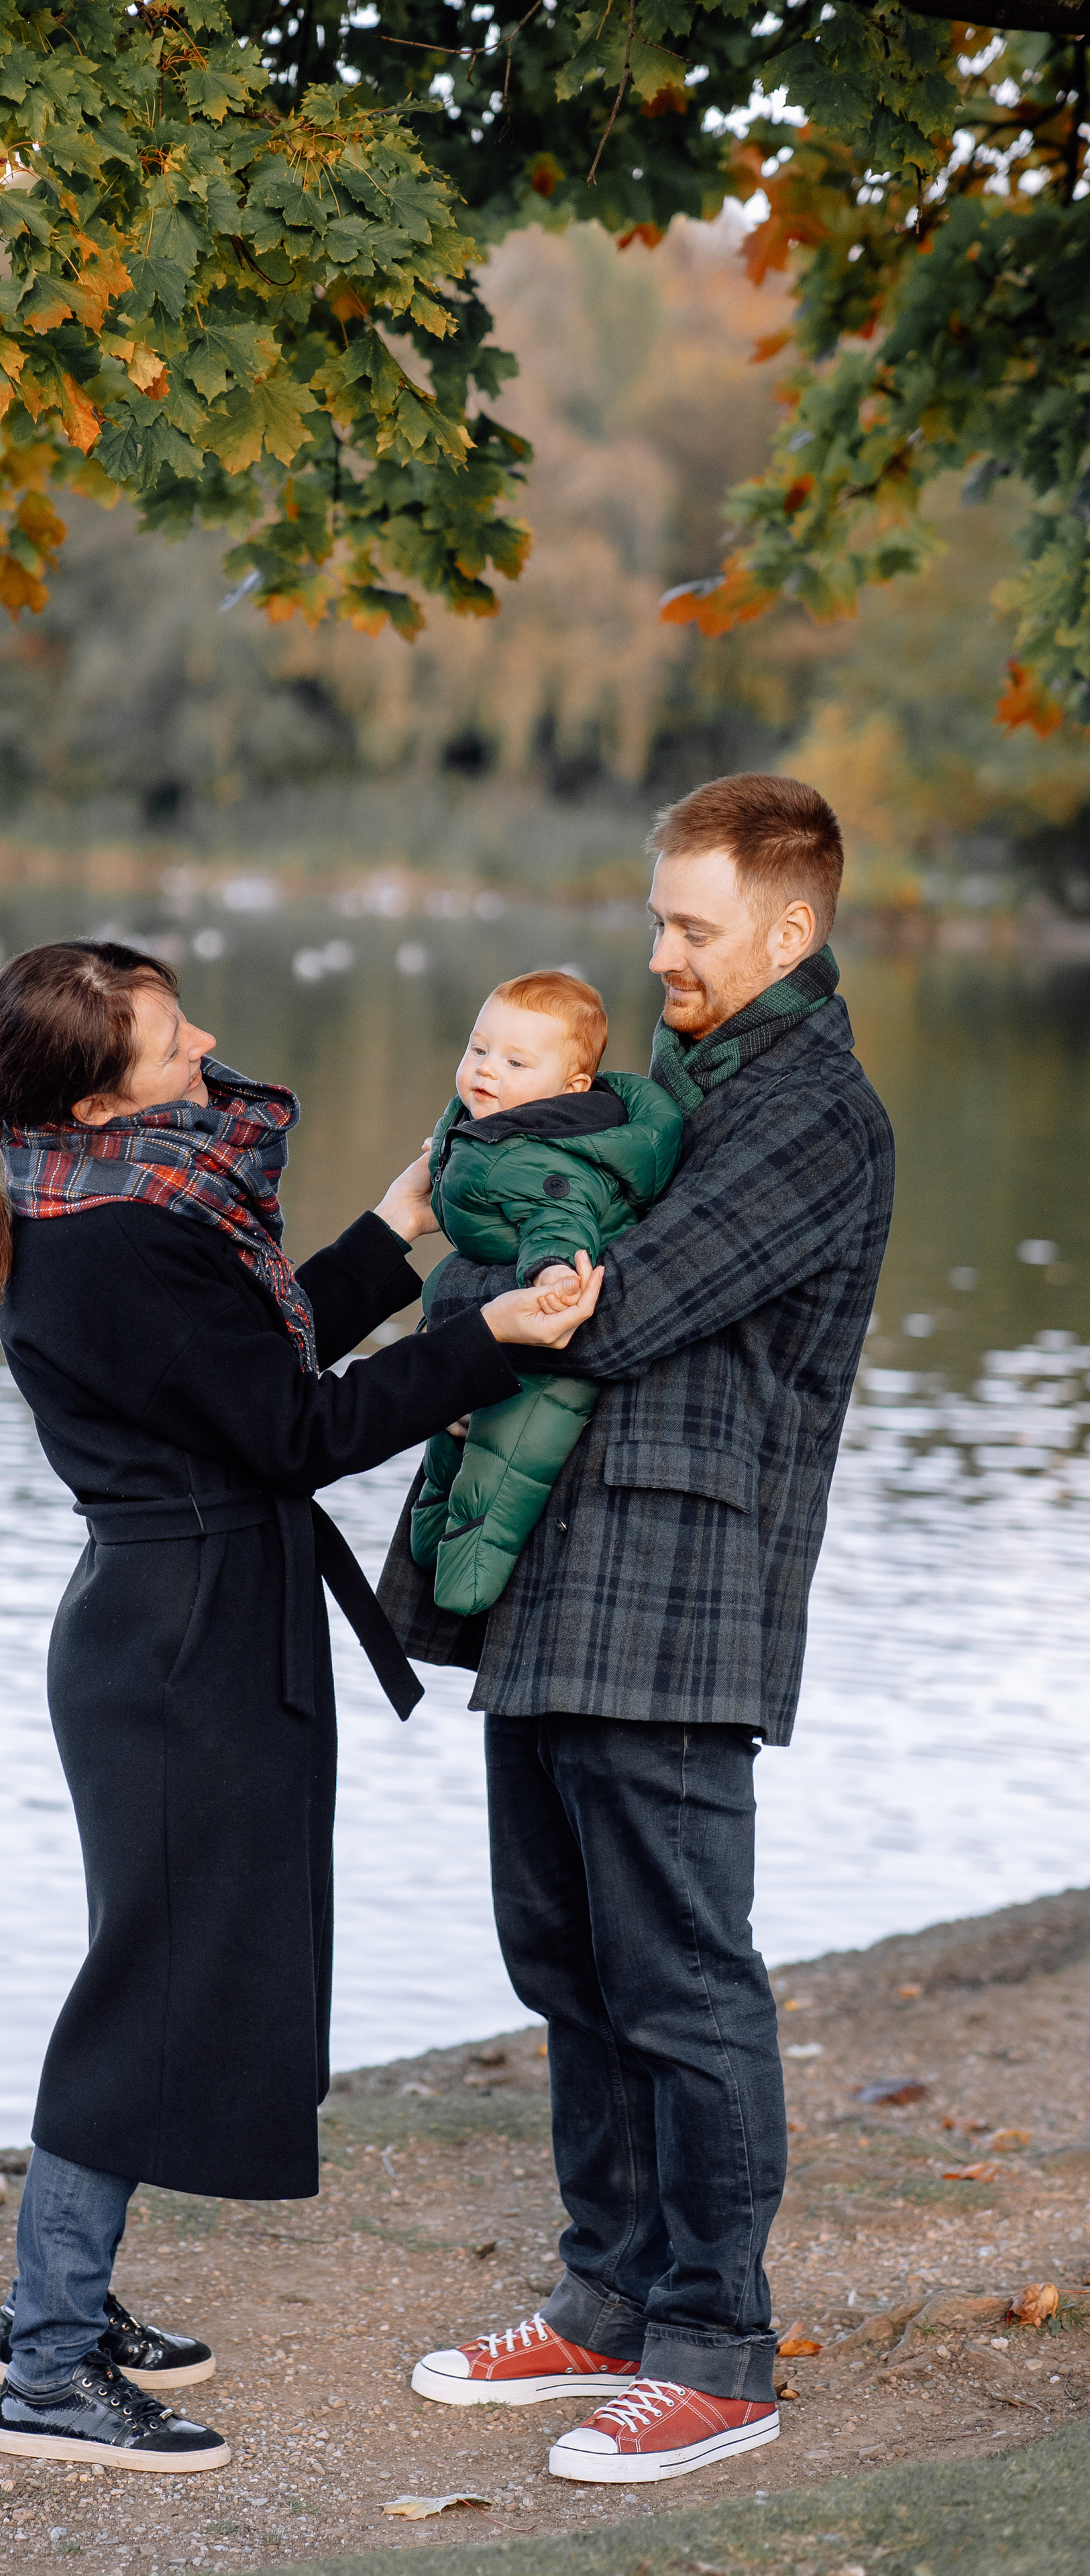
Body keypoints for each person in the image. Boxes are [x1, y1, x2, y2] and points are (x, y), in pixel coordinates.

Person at [0, 936, 603, 2475]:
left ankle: (58, 2303)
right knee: (145, 1985)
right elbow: (296, 1430)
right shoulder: (116, 1235)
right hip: (180, 1645)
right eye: (171, 1038)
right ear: (99, 1095)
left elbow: (246, 1368)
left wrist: (393, 1226)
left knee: (158, 1964)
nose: (205, 1046)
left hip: (175, 1624)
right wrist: (488, 1342)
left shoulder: (92, 1196)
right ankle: (47, 2365)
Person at [382, 774, 894, 2487]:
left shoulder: (811, 1115)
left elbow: (611, 1313)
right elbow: (512, 1268)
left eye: (689, 925)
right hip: (555, 1571)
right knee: (562, 1957)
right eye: (655, 918)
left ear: (786, 928)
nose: (658, 951)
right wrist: (498, 1283)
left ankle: (714, 2351)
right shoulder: (673, 1091)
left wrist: (497, 1282)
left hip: (675, 1589)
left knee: (679, 1976)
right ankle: (603, 2299)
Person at [409, 969, 684, 1615]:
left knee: (503, 1469)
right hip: (495, 1329)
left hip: (546, 1356)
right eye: (478, 1048)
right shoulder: (494, 1123)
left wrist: (554, 1271)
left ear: (571, 1089)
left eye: (515, 1062)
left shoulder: (549, 1159)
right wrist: (446, 1156)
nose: (486, 1069)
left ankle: (466, 1587)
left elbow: (558, 1220)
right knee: (449, 1442)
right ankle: (430, 1545)